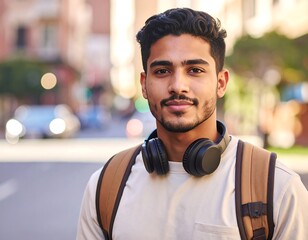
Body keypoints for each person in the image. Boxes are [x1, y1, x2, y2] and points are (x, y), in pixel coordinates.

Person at [77, 8, 308, 239]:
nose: (178, 85)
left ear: (221, 83)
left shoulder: (276, 186)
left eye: (195, 70)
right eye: (162, 70)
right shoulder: (106, 187)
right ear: (144, 84)